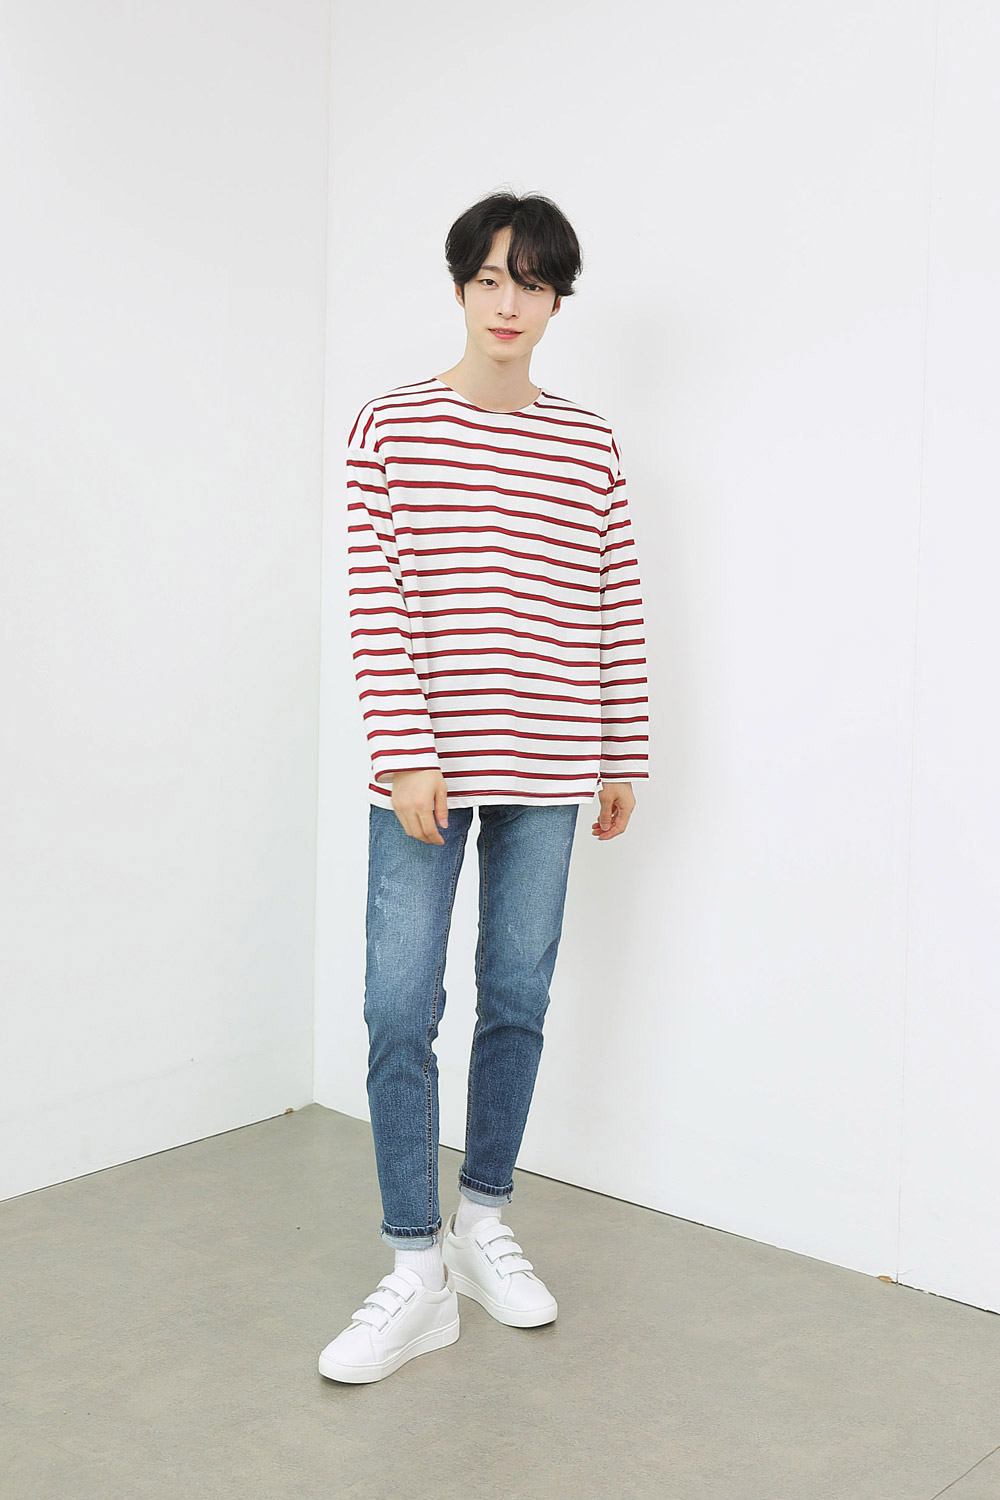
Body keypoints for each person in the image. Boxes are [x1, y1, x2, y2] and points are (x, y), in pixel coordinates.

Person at [319, 190, 650, 1383]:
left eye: (534, 283)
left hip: (552, 761)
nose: (510, 303)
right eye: (491, 279)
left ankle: (483, 1222)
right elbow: (377, 605)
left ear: (558, 301)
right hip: (427, 767)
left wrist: (619, 750)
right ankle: (415, 1267)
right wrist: (407, 748)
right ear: (461, 287)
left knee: (516, 996)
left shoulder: (589, 443)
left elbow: (612, 599)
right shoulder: (389, 428)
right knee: (397, 1007)